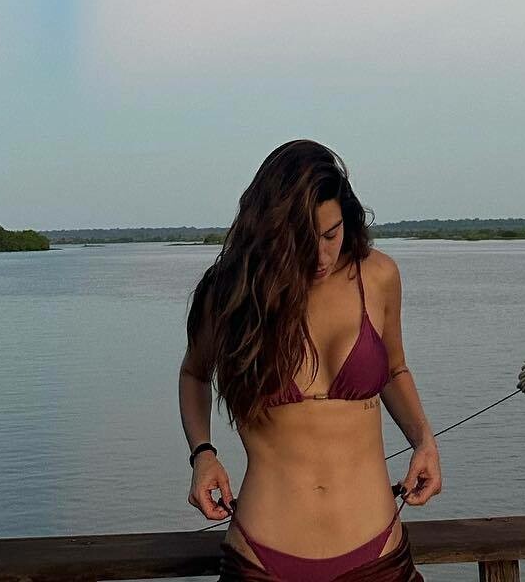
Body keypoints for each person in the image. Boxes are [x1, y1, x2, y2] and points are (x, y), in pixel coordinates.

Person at [179, 140, 442, 582]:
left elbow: (395, 370)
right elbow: (194, 373)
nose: (321, 255)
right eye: (302, 240)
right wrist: (202, 454)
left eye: (331, 234)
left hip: (377, 554)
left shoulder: (378, 276)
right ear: (271, 230)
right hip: (262, 560)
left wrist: (424, 441)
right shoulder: (230, 293)